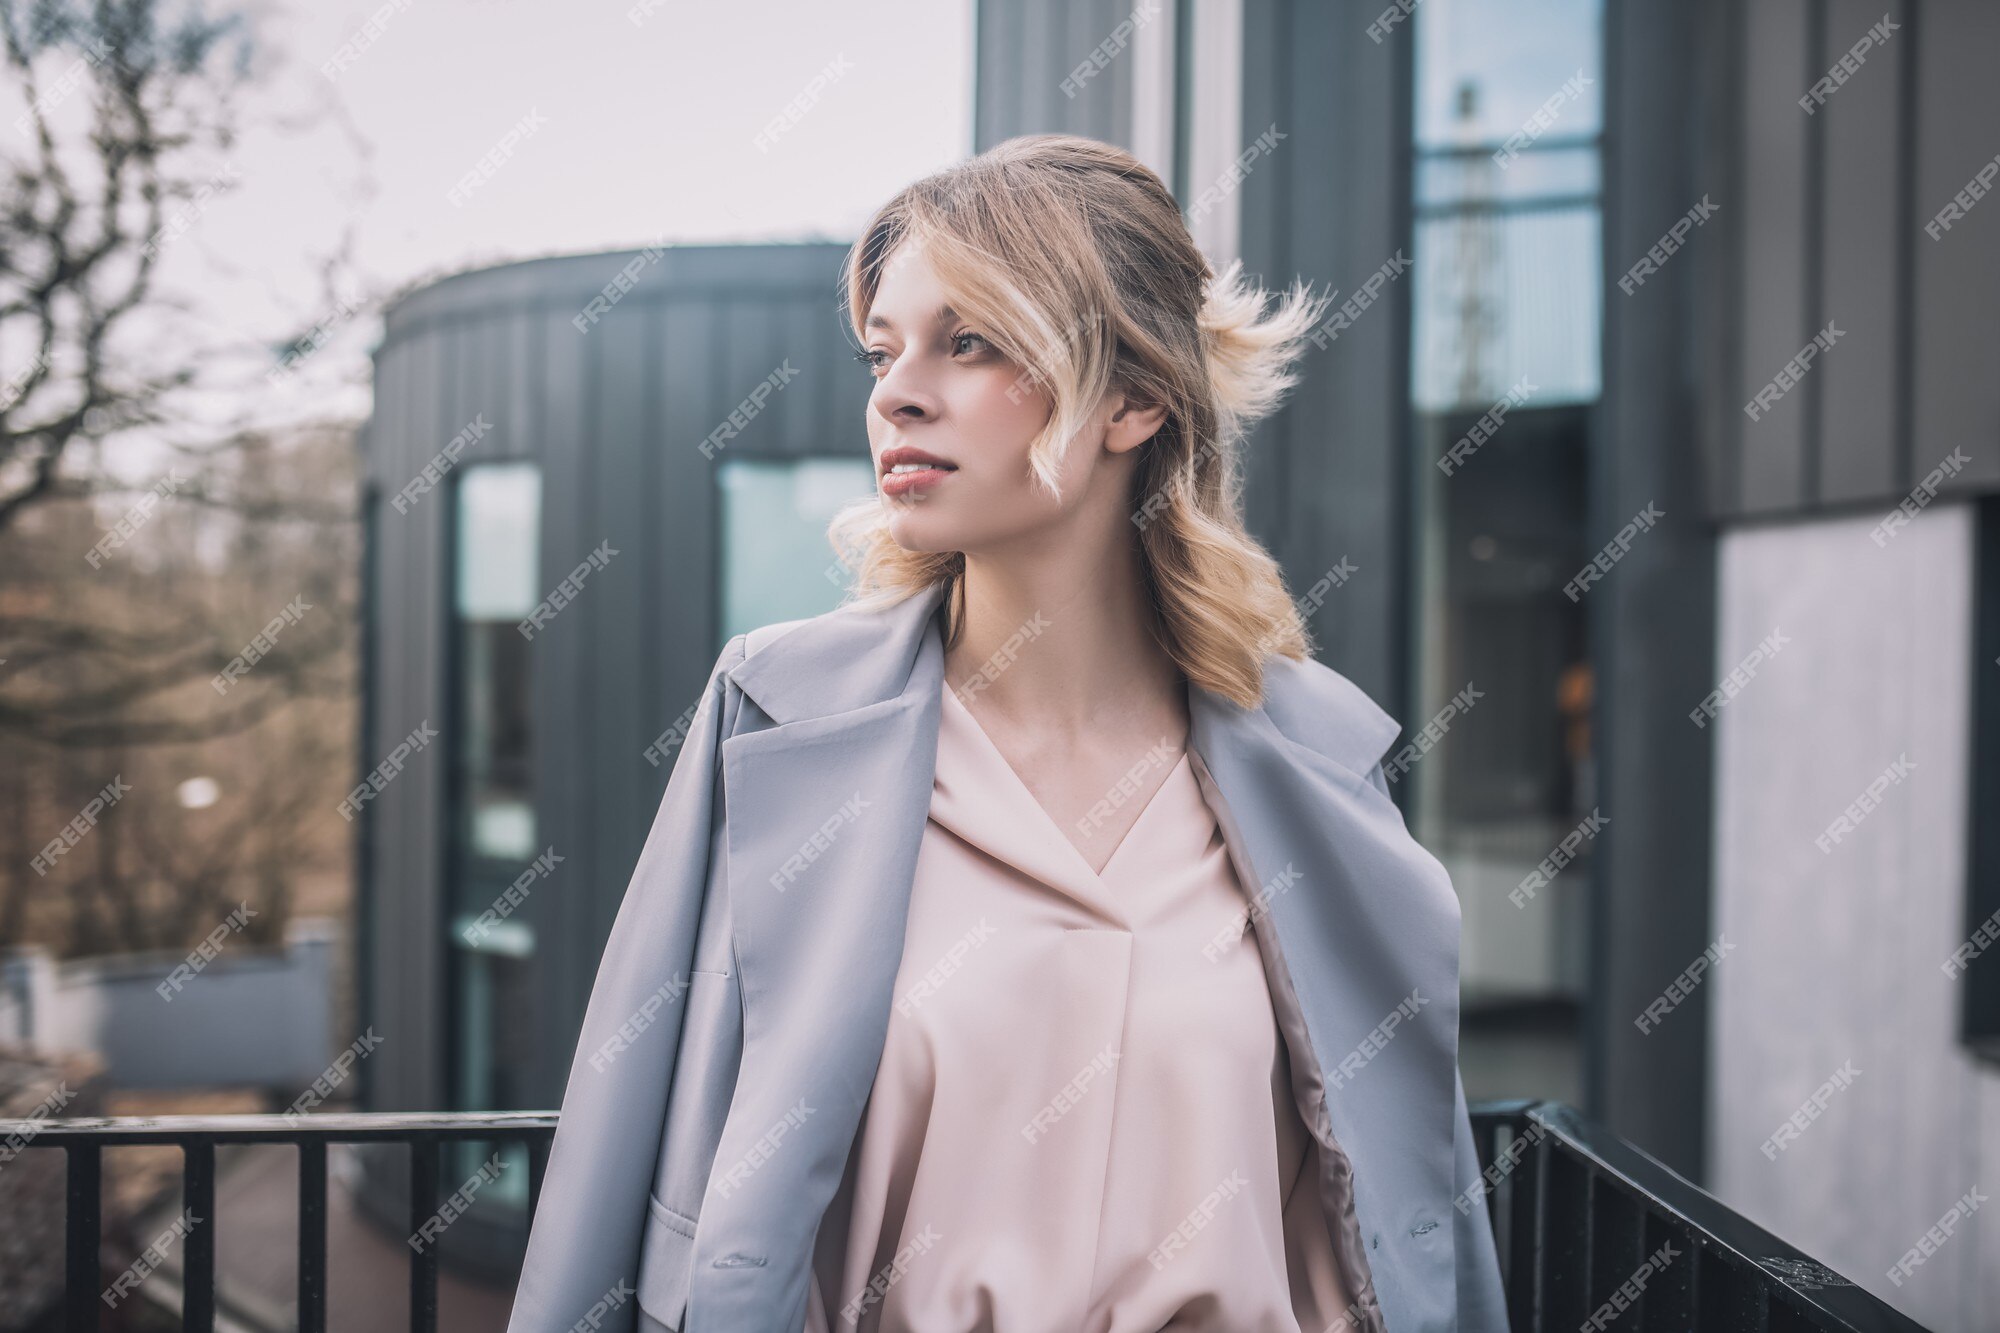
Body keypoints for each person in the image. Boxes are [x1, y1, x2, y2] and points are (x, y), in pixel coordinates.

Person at [506, 133, 1508, 1333]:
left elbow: (1412, 1209)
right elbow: (619, 1151)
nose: (895, 390)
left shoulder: (1319, 764)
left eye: (967, 341)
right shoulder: (776, 717)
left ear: (1134, 396)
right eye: (884, 349)